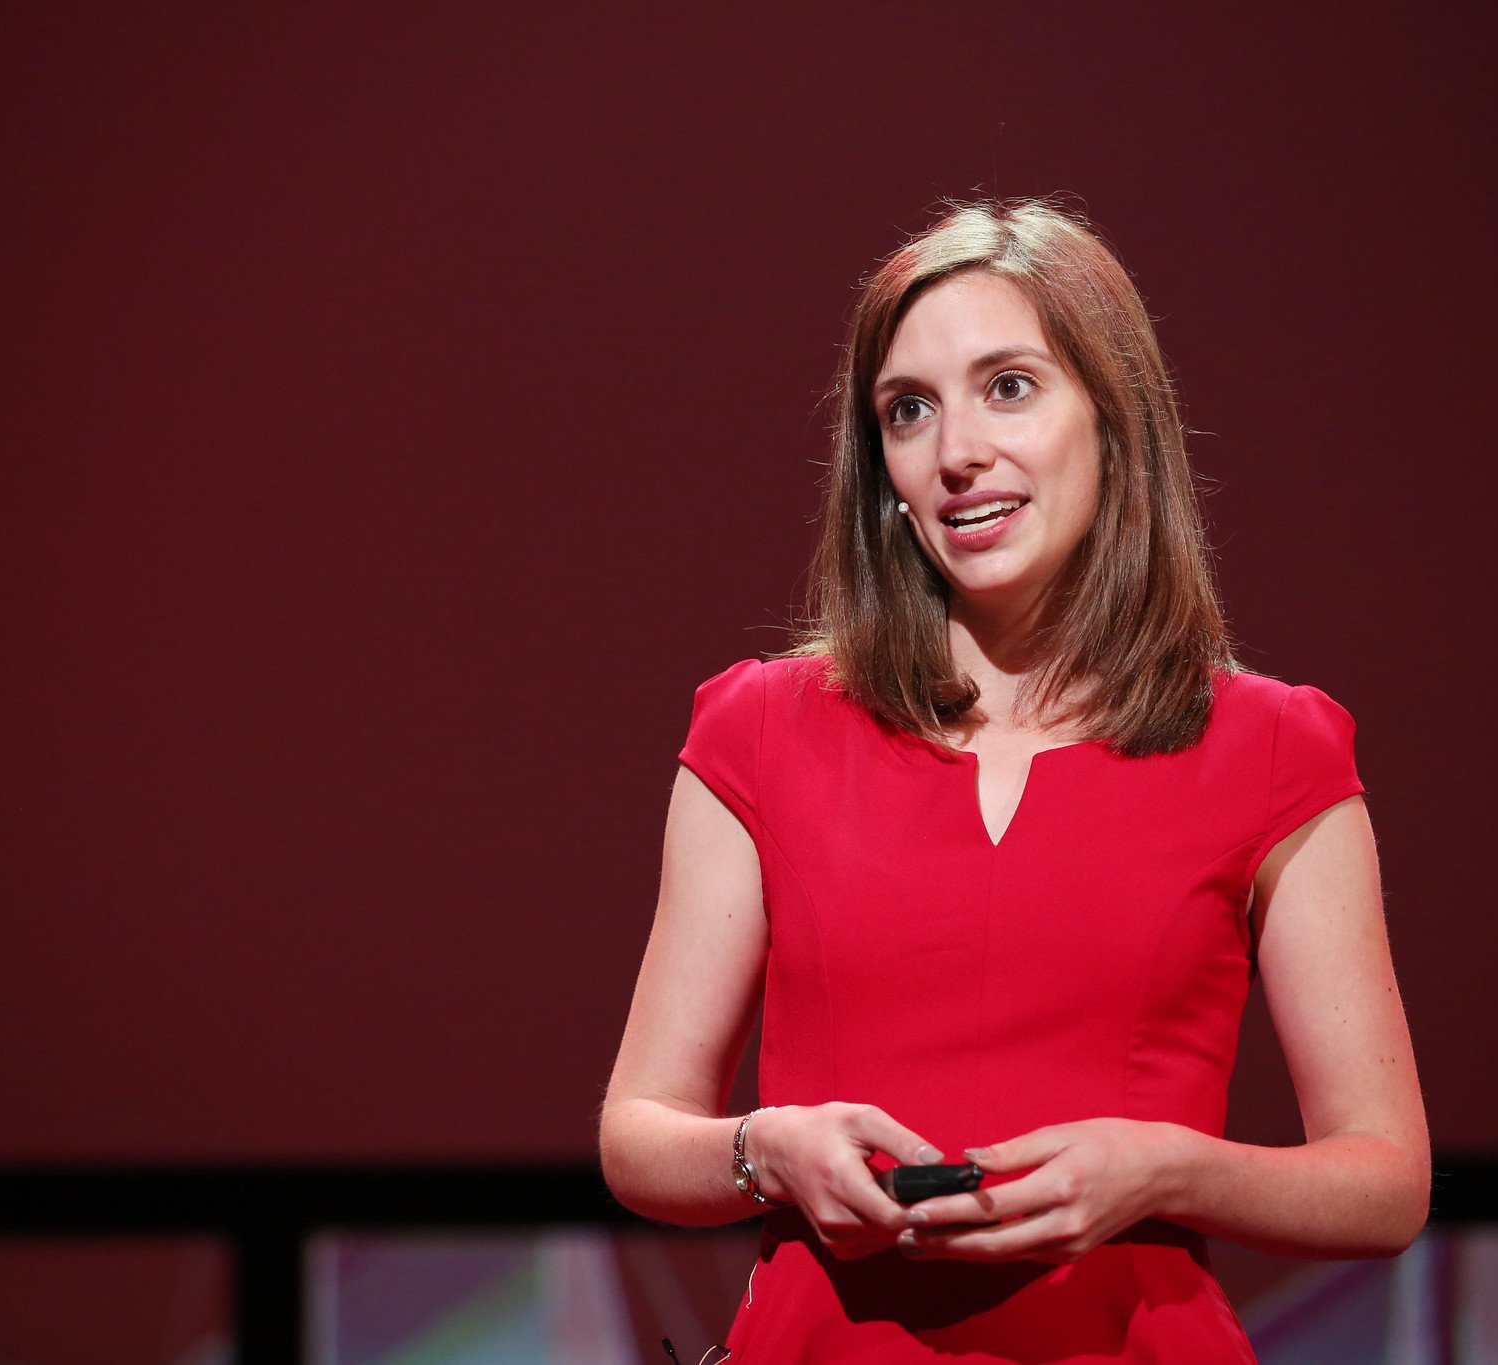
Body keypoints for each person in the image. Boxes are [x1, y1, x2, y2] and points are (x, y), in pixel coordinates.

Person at [599, 198, 1429, 1362]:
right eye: (908, 410)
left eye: (1008, 387)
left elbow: (1383, 1181)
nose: (955, 453)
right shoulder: (759, 729)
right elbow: (640, 1133)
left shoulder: (1272, 748)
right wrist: (767, 1147)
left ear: (1113, 418)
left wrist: (1164, 1171)